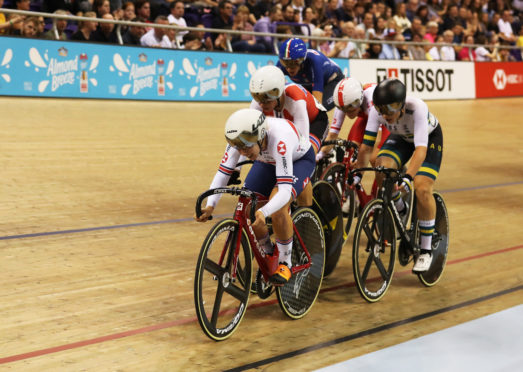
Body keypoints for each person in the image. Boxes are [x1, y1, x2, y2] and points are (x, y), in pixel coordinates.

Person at [195, 108, 315, 285]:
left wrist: (264, 211)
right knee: (247, 206)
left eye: (246, 147)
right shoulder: (241, 139)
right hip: (266, 161)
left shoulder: (279, 139)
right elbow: (223, 173)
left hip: (299, 161)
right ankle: (268, 253)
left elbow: (283, 191)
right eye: (239, 148)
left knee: (278, 208)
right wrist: (210, 205)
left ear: (260, 136)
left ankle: (285, 262)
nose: (242, 152)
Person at [352, 79, 444, 273]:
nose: (386, 115)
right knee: (380, 166)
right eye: (382, 110)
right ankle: (400, 207)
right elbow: (367, 147)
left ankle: (426, 250)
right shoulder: (377, 113)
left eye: (391, 110)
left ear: (402, 105)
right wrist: (358, 174)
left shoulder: (417, 107)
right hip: (402, 138)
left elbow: (420, 150)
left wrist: (409, 177)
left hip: (428, 139)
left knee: (421, 187)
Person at [318, 77, 390, 203]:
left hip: (384, 120)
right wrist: (319, 155)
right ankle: (358, 199)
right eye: (344, 110)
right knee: (350, 152)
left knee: (374, 158)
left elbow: (374, 142)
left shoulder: (371, 100)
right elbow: (332, 135)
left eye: (350, 110)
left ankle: (385, 193)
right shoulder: (344, 104)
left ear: (359, 101)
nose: (347, 113)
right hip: (365, 118)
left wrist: (362, 159)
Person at [250, 65, 329, 156]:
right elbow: (249, 137)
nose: (261, 104)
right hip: (290, 121)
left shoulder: (296, 98)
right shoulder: (256, 102)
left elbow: (303, 143)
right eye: (258, 97)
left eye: (267, 98)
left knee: (308, 154)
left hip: (315, 121)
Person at [277, 37, 344, 111]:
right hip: (310, 82)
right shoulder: (281, 66)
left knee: (319, 109)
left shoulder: (315, 61)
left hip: (333, 80)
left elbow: (318, 103)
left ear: (302, 60)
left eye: (293, 63)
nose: (289, 68)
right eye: (285, 63)